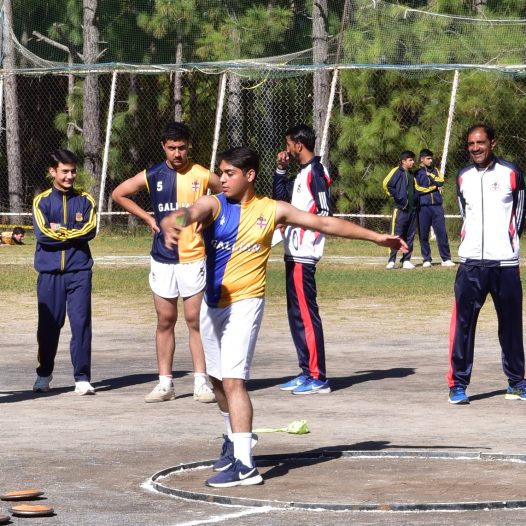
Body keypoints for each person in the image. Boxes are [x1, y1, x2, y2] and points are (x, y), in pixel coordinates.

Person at [160, 146, 408, 487]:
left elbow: (324, 222)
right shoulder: (215, 204)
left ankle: (245, 466)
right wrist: (174, 221)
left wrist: (377, 237)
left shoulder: (273, 209)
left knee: (233, 381)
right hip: (213, 304)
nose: (222, 179)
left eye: (229, 173)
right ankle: (234, 440)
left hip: (246, 303)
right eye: (221, 172)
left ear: (249, 175)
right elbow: (192, 211)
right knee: (216, 381)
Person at [112, 122, 221, 403]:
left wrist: (209, 218)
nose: (177, 153)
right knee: (165, 320)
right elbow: (118, 193)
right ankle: (165, 384)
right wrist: (146, 217)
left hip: (193, 255)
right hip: (162, 257)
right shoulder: (152, 174)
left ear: (189, 146)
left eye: (182, 147)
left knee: (195, 320)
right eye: (171, 148)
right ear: (163, 147)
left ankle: (201, 382)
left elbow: (229, 193)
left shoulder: (202, 174)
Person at [448, 124, 526, 404]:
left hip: (504, 264)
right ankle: (458, 384)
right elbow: (465, 214)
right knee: (463, 326)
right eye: (471, 143)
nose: (475, 148)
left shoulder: (511, 173)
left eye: (480, 142)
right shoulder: (463, 176)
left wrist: (507, 245)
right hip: (470, 265)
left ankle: (517, 382)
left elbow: (519, 215)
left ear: (493, 143)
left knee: (511, 326)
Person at [272, 124, 332, 395]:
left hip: (304, 254)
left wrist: (305, 234)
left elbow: (325, 211)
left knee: (307, 315)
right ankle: (306, 371)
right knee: (296, 315)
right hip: (292, 253)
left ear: (298, 145)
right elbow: (281, 201)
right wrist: (280, 170)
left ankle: (318, 377)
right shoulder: (301, 173)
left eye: (288, 144)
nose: (286, 149)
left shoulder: (316, 172)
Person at [32, 149, 97, 395]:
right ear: (53, 172)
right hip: (49, 274)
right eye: (65, 171)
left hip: (79, 272)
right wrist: (71, 234)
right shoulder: (41, 201)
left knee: (81, 324)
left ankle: (82, 378)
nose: (70, 176)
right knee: (48, 326)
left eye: (73, 171)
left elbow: (89, 229)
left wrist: (61, 231)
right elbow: (43, 235)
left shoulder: (86, 200)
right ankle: (44, 374)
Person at [414, 149, 455, 268]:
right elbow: (417, 189)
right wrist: (432, 188)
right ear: (422, 159)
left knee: (441, 233)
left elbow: (440, 182)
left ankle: (446, 258)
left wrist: (431, 176)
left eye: (431, 158)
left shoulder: (435, 171)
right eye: (428, 158)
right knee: (423, 234)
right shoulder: (416, 173)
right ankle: (426, 259)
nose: (431, 160)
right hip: (423, 207)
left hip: (437, 207)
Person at [383, 151, 417, 269]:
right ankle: (391, 260)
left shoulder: (411, 174)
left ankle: (406, 260)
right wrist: (399, 197)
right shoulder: (397, 171)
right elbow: (387, 184)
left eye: (413, 160)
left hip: (412, 210)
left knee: (410, 236)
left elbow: (415, 188)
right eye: (410, 160)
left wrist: (415, 200)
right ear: (403, 161)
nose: (413, 162)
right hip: (400, 209)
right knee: (396, 235)